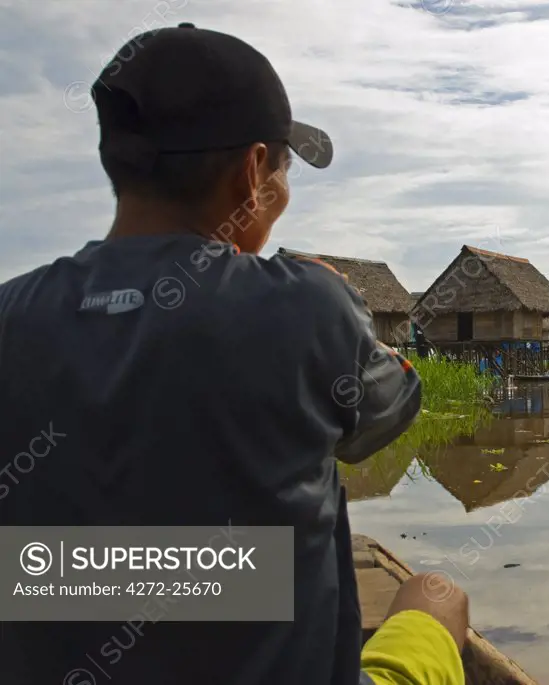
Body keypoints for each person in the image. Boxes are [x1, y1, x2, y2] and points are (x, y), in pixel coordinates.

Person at [0, 23, 467, 685]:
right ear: (253, 173)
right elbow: (385, 415)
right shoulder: (305, 306)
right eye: (282, 171)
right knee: (437, 597)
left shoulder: (12, 313)